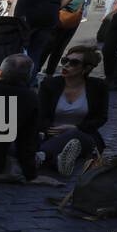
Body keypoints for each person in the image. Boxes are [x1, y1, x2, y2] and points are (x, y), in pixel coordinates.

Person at [34, 44, 109, 177]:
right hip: (51, 133)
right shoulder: (50, 84)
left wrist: (75, 127)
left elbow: (101, 118)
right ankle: (57, 160)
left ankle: (41, 155)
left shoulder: (98, 87)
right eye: (65, 61)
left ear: (86, 68)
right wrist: (52, 131)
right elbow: (40, 115)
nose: (66, 65)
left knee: (74, 135)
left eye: (74, 63)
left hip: (84, 134)